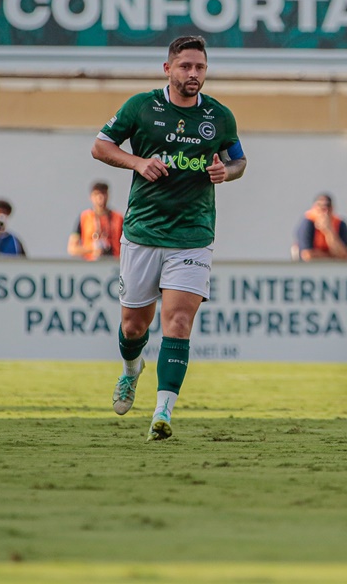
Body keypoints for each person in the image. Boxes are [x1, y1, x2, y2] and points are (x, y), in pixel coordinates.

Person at [92, 35, 246, 442]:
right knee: (133, 327)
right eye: (185, 66)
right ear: (168, 69)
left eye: (200, 67)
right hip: (143, 233)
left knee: (178, 322)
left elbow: (239, 160)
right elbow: (100, 146)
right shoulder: (141, 107)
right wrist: (138, 162)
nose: (193, 74)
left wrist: (226, 172)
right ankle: (131, 370)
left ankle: (162, 412)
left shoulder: (219, 116)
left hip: (193, 235)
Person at [68, 181, 124, 261]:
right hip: (91, 263)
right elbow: (72, 249)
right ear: (91, 197)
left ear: (108, 195)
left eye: (103, 194)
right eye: (96, 194)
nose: (100, 198)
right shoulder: (84, 217)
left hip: (114, 263)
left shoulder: (118, 218)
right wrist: (92, 249)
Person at [293, 193, 347, 261]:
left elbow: (343, 255)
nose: (325, 212)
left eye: (328, 207)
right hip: (309, 265)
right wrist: (332, 256)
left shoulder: (340, 224)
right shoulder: (308, 223)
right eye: (321, 207)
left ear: (332, 208)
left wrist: (329, 231)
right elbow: (307, 255)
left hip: (333, 265)